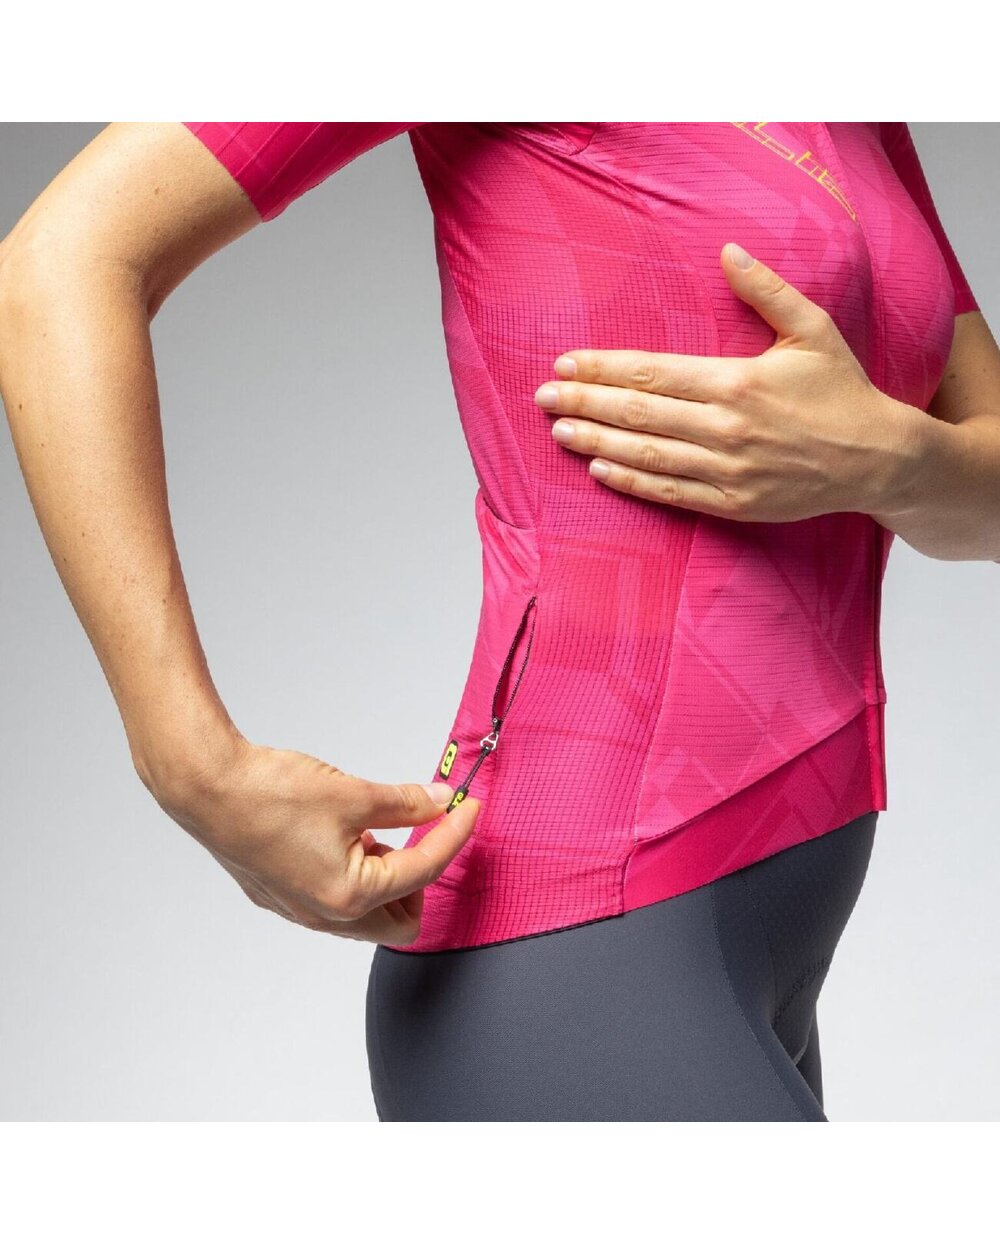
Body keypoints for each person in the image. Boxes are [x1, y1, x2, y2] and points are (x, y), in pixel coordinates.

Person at [1, 122, 996, 1121]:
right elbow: (55, 265)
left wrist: (895, 462)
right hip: (577, 941)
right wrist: (191, 762)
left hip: (773, 923)